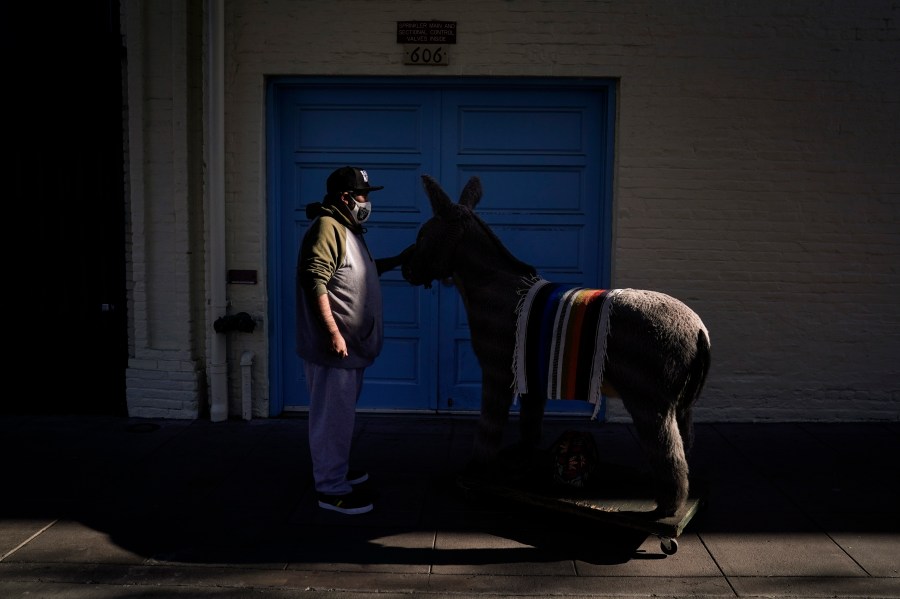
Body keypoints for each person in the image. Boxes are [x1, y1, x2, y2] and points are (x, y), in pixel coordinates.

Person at [296, 166, 410, 515]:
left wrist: (397, 261)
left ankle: (335, 469)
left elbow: (357, 272)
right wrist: (333, 332)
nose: (367, 201)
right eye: (364, 194)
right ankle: (330, 490)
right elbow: (313, 279)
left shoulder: (347, 228)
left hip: (350, 348)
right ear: (346, 198)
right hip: (335, 350)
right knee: (331, 419)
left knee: (340, 416)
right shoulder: (327, 228)